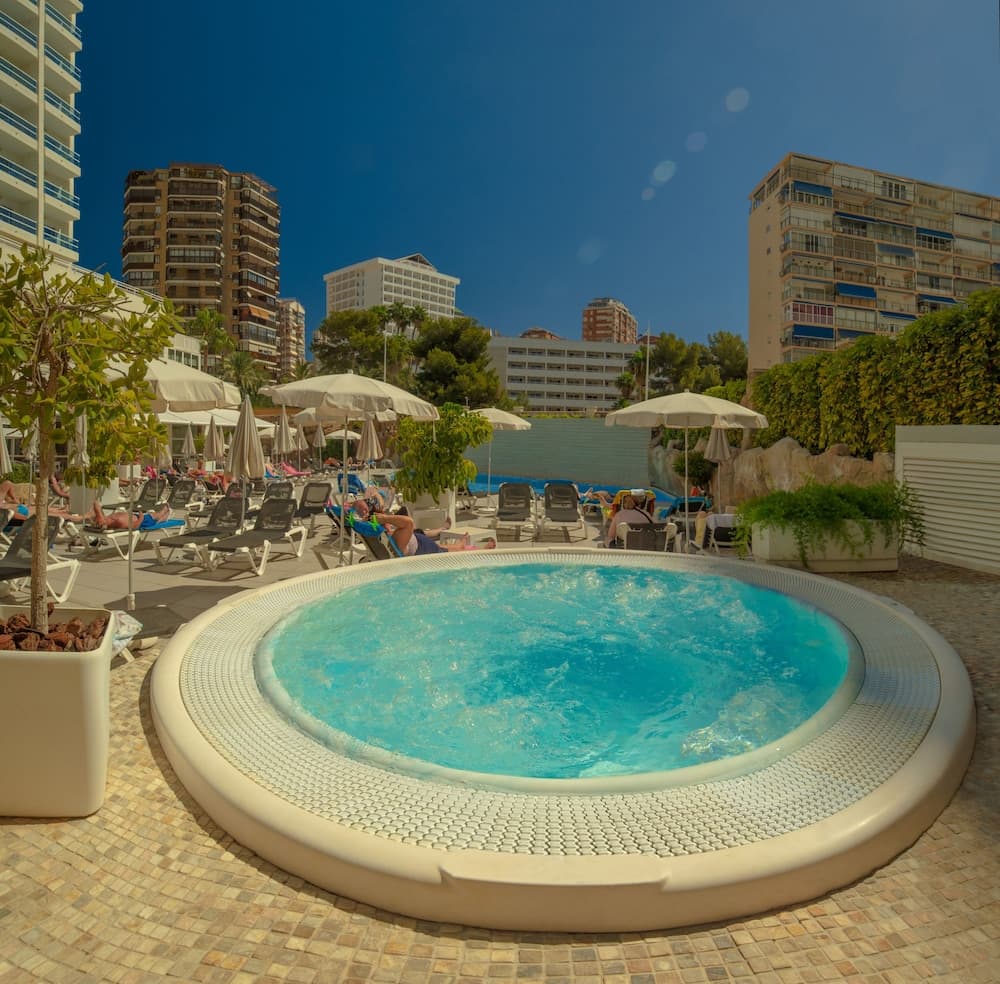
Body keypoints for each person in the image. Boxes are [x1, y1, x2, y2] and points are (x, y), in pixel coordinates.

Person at [346, 499, 495, 555]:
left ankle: (460, 544)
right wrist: (385, 518)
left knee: (444, 546)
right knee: (451, 551)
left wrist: (384, 521)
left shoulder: (391, 538)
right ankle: (482, 551)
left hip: (420, 542)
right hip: (424, 549)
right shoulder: (395, 541)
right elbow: (409, 522)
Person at [85, 501, 172, 531]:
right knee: (154, 515)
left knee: (153, 514)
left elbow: (96, 504)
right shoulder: (119, 522)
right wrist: (141, 516)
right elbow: (134, 527)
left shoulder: (107, 518)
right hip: (144, 521)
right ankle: (163, 515)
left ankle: (163, 515)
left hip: (136, 516)